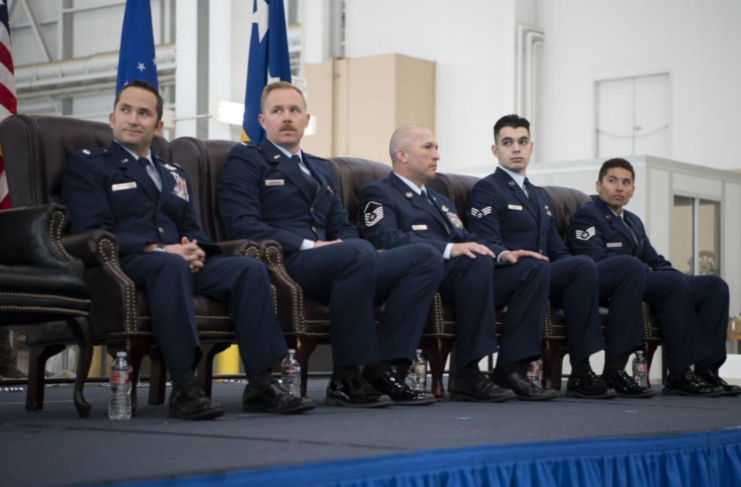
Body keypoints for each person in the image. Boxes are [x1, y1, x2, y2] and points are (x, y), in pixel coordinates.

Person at [61, 80, 315, 420]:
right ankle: (184, 385)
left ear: (158, 125)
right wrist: (159, 249)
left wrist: (196, 249)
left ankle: (261, 384)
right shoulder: (90, 164)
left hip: (178, 261)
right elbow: (91, 228)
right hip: (123, 264)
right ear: (111, 118)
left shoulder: (173, 173)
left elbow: (191, 227)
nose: (133, 119)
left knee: (248, 269)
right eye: (125, 110)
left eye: (144, 113)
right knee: (170, 267)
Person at [218, 82, 441, 408]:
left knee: (425, 257)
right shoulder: (247, 159)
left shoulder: (321, 168)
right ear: (261, 120)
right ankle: (346, 376)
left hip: (342, 260)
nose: (286, 118)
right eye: (277, 111)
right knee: (357, 252)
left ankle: (387, 368)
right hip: (287, 261)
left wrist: (356, 248)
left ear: (307, 119)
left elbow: (342, 225)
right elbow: (243, 224)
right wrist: (312, 245)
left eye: (294, 111)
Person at [357, 124, 558, 402]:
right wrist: (450, 249)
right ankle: (467, 371)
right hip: (414, 274)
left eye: (437, 147)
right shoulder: (379, 192)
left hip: (457, 278)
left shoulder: (440, 201)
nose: (437, 155)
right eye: (428, 147)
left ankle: (511, 368)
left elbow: (467, 236)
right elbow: (385, 238)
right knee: (473, 263)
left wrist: (502, 255)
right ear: (402, 155)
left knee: (533, 268)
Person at [467, 114, 650, 399]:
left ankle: (592, 370)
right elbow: (483, 238)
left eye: (522, 141)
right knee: (565, 267)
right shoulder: (487, 188)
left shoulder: (539, 197)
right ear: (496, 150)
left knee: (607, 266)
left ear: (531, 147)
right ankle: (511, 367)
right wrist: (505, 253)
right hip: (505, 273)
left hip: (540, 274)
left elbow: (556, 247)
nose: (516, 148)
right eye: (507, 142)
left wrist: (573, 266)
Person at [568, 158, 740, 397]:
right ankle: (679, 374)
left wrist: (674, 273)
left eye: (626, 182)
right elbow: (594, 260)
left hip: (644, 280)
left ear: (633, 190)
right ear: (598, 185)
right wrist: (655, 273)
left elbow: (653, 258)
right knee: (671, 282)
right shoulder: (587, 216)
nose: (619, 187)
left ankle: (706, 370)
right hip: (611, 284)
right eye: (612, 180)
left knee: (713, 285)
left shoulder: (633, 221)